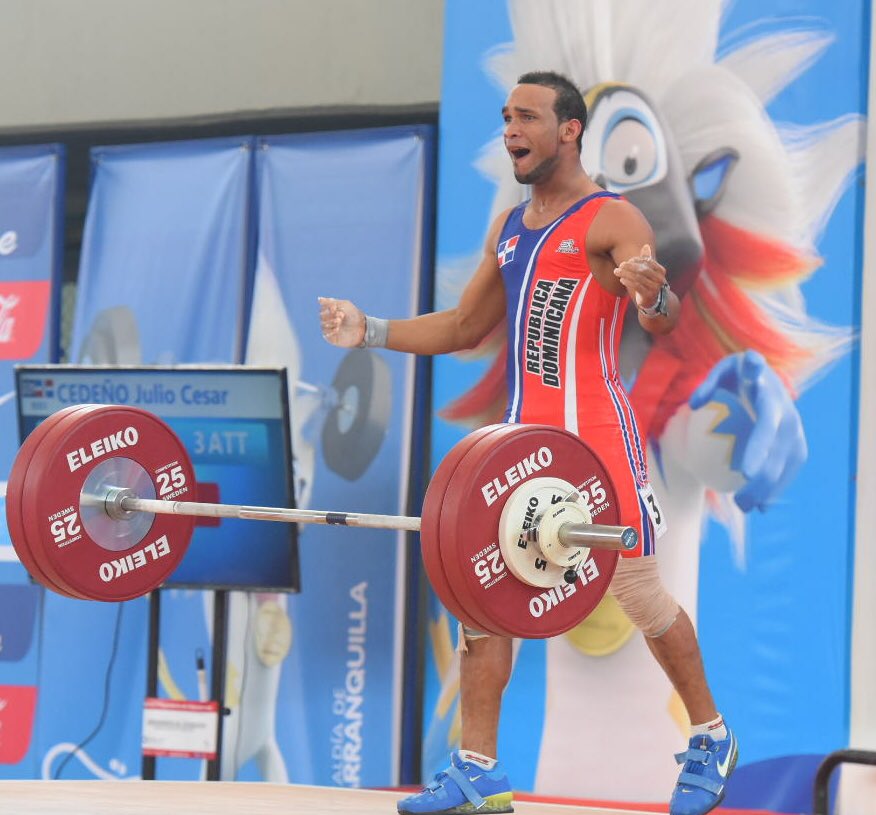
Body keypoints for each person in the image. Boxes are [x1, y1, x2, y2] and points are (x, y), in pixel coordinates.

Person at [319, 70, 737, 815]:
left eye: (528, 117)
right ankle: (477, 768)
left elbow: (663, 317)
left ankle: (710, 735)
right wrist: (370, 331)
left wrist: (654, 292)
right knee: (482, 594)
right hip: (523, 451)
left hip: (599, 447)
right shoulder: (511, 227)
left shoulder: (614, 220)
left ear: (569, 130)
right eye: (506, 116)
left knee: (638, 592)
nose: (511, 129)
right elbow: (463, 327)